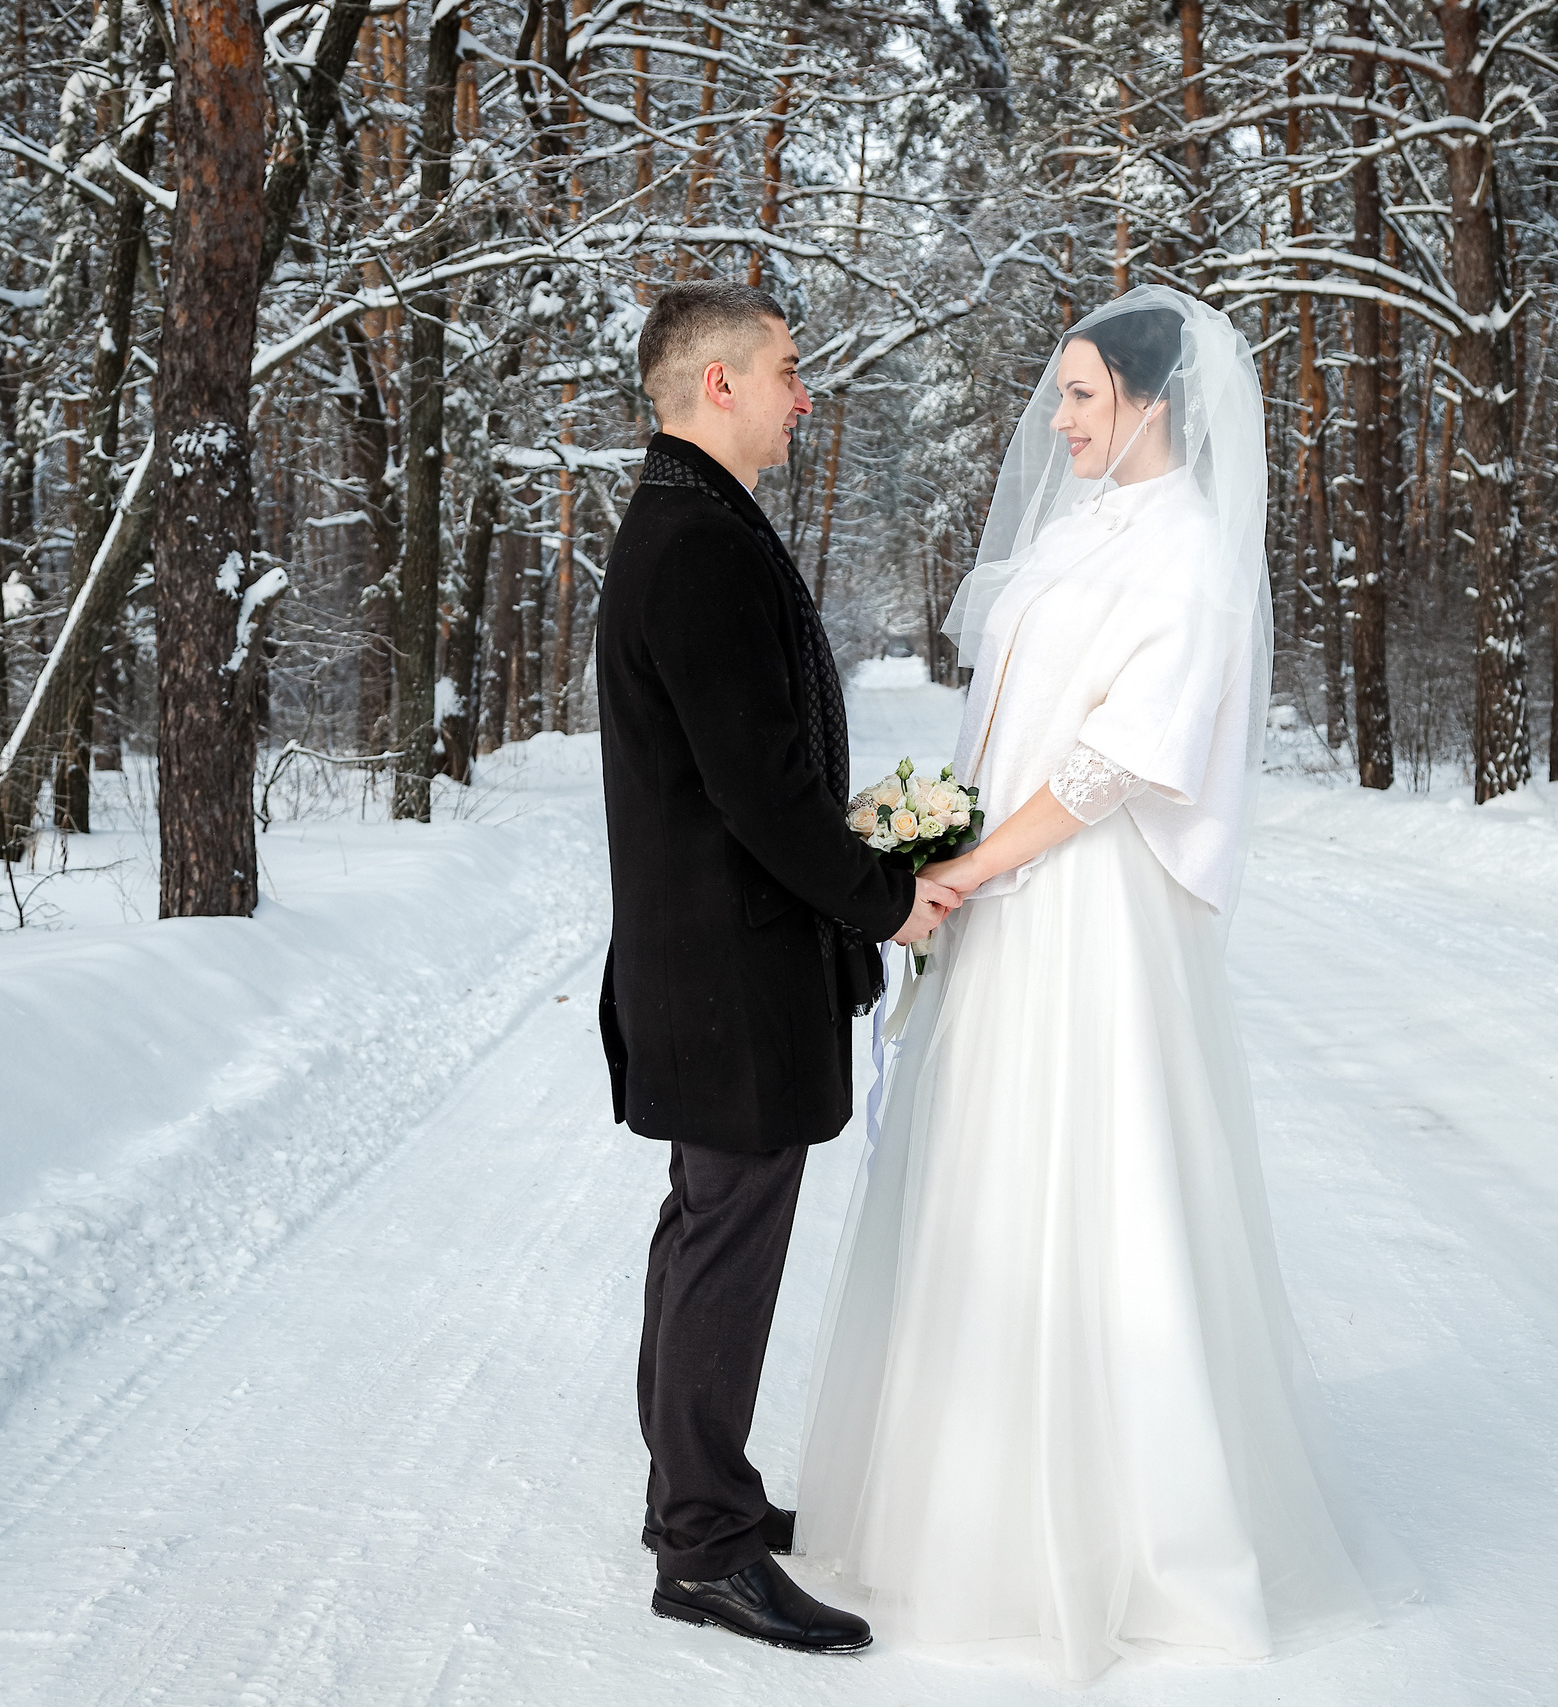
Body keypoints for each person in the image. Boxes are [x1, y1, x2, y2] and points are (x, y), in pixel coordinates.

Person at [794, 286, 1416, 1678]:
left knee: (1094, 1182)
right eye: (1059, 395)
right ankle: (966, 1500)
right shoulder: (1080, 535)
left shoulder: (1192, 550)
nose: (1058, 421)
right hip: (1012, 886)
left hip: (1085, 905)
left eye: (1080, 396)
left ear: (1149, 400)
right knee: (988, 1187)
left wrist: (966, 869)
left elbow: (1116, 761)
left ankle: (1127, 1527)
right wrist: (940, 833)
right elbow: (1011, 715)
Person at [595, 281, 955, 1656]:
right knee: (725, 1252)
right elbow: (759, 787)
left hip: (712, 964)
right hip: (727, 973)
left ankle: (696, 1496)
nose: (807, 397)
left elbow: (756, 761)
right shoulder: (694, 545)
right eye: (790, 373)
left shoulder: (700, 524)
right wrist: (885, 901)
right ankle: (703, 1549)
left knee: (703, 1235)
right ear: (719, 385)